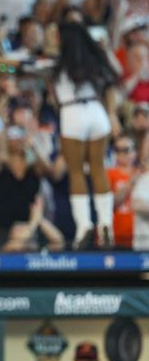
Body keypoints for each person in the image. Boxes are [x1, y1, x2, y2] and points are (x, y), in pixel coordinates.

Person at [51, 21, 120, 249]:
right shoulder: (93, 59)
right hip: (96, 112)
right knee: (98, 168)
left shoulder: (58, 63)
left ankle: (84, 226)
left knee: (77, 172)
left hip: (72, 114)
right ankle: (105, 223)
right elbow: (114, 76)